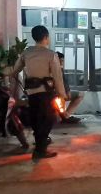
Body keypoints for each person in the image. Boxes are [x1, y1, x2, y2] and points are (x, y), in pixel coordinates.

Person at [13, 25, 66, 160]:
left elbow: (15, 70)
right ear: (46, 37)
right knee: (49, 119)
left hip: (31, 93)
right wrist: (62, 94)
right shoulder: (51, 54)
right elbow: (57, 76)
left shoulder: (26, 53)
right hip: (46, 92)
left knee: (36, 119)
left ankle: (40, 145)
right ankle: (40, 150)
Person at [56, 52, 84, 124]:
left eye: (62, 61)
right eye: (60, 61)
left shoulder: (58, 68)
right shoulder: (56, 69)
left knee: (80, 94)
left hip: (59, 93)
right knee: (80, 95)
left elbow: (64, 82)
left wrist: (67, 90)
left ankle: (66, 115)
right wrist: (67, 91)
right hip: (57, 94)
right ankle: (66, 116)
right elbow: (62, 81)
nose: (62, 62)